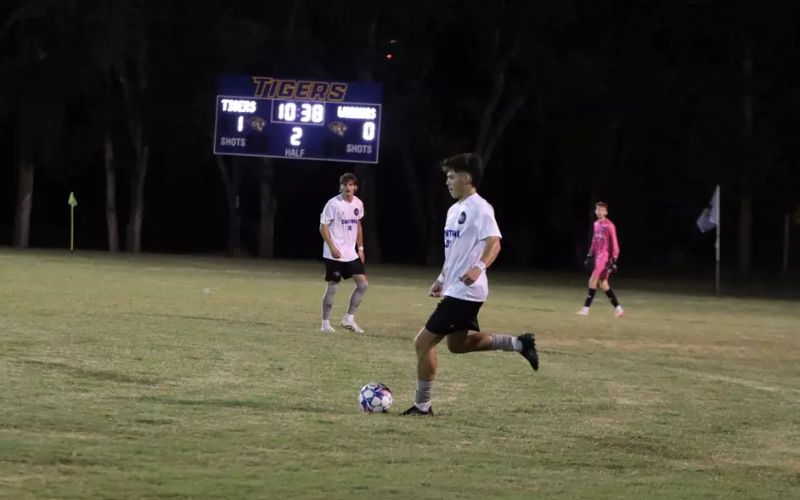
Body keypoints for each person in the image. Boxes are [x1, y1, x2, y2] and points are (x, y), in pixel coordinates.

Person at [401, 153, 539, 417]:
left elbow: (494, 242)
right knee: (457, 345)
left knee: (422, 343)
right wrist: (442, 278)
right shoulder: (454, 210)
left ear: (466, 178)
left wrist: (479, 267)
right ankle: (520, 344)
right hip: (456, 288)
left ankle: (422, 406)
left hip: (466, 292)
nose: (447, 182)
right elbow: (454, 252)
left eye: (451, 177)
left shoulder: (481, 208)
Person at [319, 172, 368, 334]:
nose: (348, 188)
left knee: (363, 284)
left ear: (355, 187)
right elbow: (323, 227)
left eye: (351, 184)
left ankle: (349, 319)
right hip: (335, 253)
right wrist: (332, 247)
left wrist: (360, 248)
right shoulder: (333, 204)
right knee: (333, 287)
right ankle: (325, 323)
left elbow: (358, 225)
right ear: (340, 187)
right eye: (345, 184)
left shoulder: (358, 204)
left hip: (350, 253)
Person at [577, 201, 624, 317]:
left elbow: (615, 243)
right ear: (595, 211)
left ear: (606, 212)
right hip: (597, 255)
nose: (600, 212)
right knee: (603, 284)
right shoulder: (596, 224)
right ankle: (619, 309)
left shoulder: (610, 225)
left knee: (592, 280)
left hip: (604, 257)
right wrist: (589, 254)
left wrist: (614, 259)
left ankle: (585, 309)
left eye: (602, 210)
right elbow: (594, 240)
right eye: (598, 209)